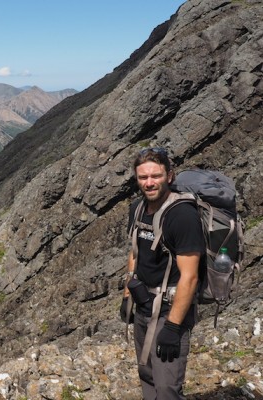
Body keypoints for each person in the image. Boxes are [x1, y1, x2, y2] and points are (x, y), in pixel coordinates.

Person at [120, 148, 204, 400]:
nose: (149, 182)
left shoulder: (182, 216)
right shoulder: (137, 208)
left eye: (155, 176)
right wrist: (127, 295)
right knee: (147, 375)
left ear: (169, 176)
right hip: (144, 305)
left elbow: (190, 276)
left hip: (170, 309)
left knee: (167, 387)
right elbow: (135, 252)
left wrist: (173, 327)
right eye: (143, 177)